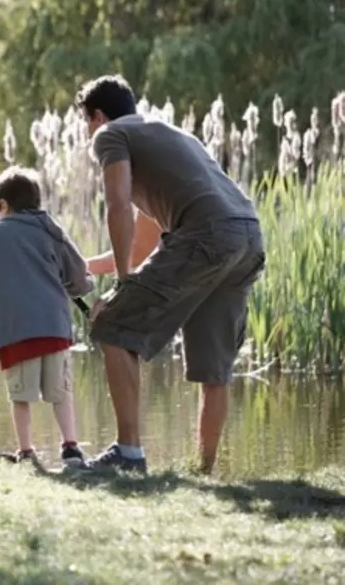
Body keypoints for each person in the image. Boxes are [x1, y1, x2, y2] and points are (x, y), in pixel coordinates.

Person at [76, 75, 267, 475]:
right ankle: (204, 472)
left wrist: (123, 286)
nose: (89, 133)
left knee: (112, 324)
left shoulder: (110, 135)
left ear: (96, 116)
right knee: (213, 368)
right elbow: (140, 249)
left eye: (87, 122)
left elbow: (117, 206)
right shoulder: (170, 137)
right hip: (246, 236)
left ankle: (128, 454)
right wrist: (85, 269)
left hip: (207, 234)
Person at [0, 166, 95, 466]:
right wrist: (82, 286)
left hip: (16, 332)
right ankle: (71, 447)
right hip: (54, 330)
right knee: (60, 392)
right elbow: (78, 276)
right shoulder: (52, 230)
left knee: (21, 397)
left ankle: (26, 451)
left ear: (2, 205)